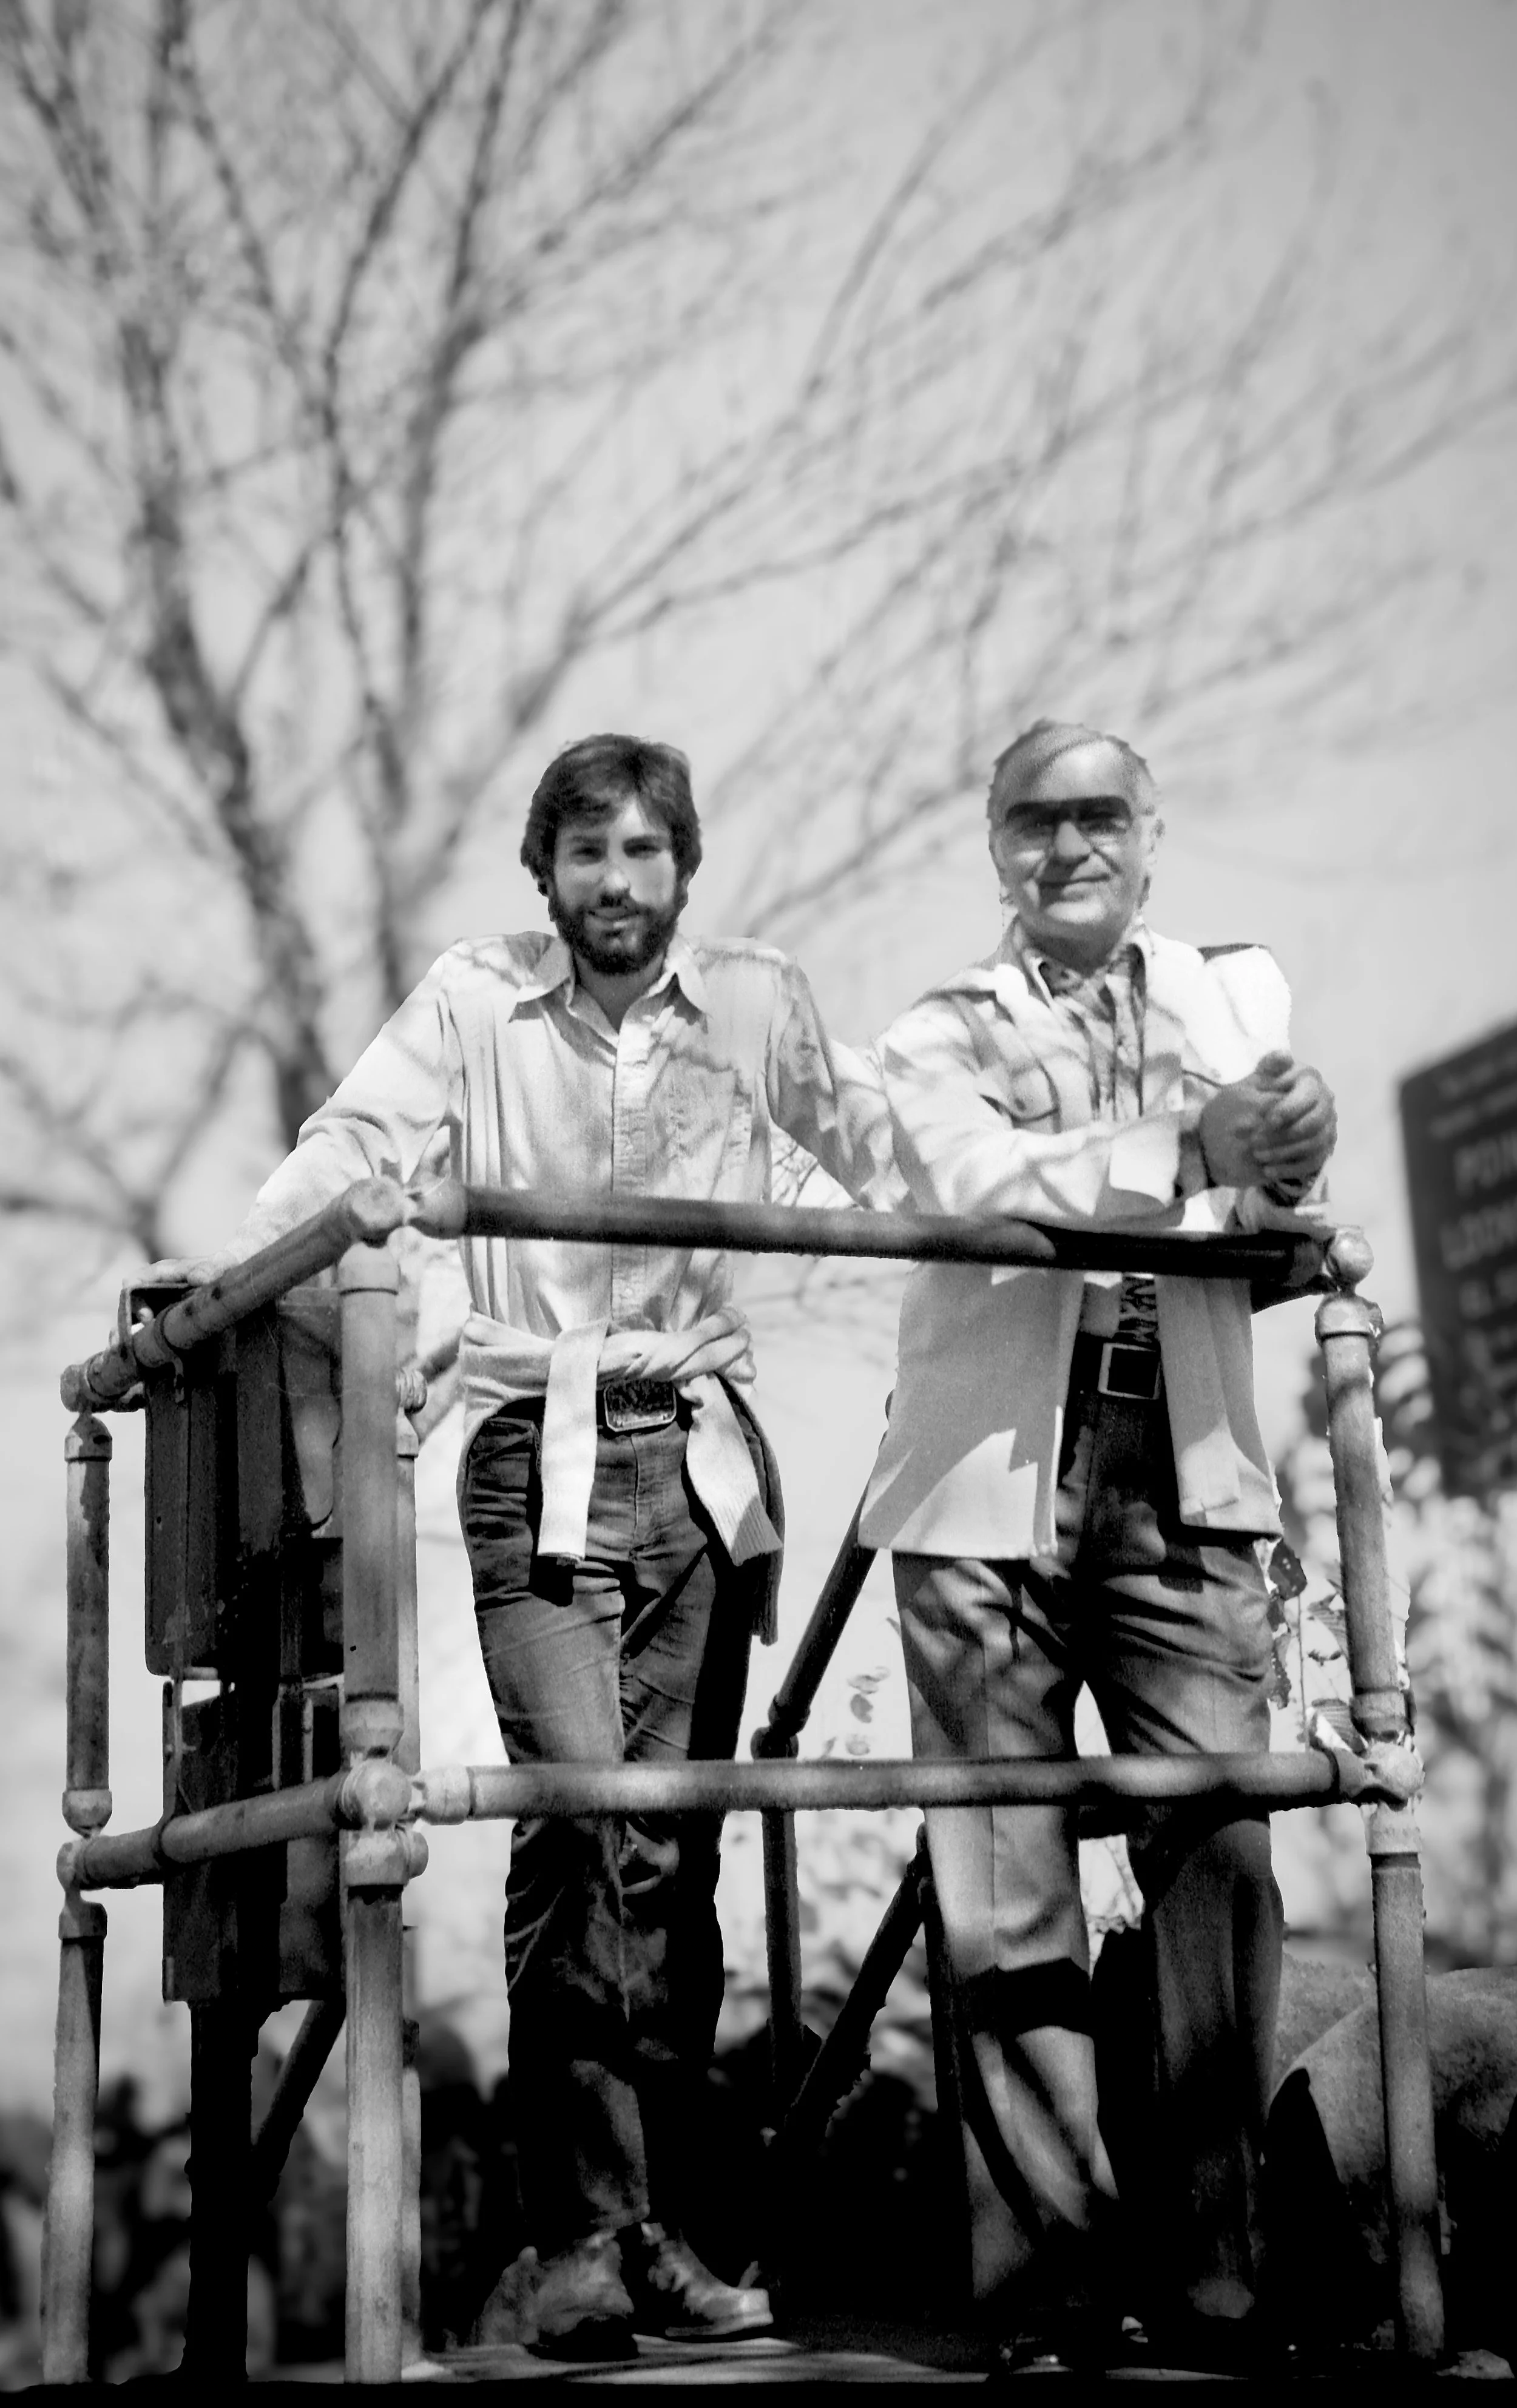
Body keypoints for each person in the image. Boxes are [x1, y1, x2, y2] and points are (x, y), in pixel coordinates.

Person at [152, 734, 898, 2358]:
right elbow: (343, 1161)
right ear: (543, 874)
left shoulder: (757, 1003)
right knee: (569, 1828)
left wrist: (1129, 1209)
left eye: (643, 853)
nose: (615, 886)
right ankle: (570, 2242)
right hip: (530, 1458)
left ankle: (664, 2240)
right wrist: (218, 1299)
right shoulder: (477, 999)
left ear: (682, 868)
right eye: (585, 856)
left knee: (675, 1853)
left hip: (698, 1457)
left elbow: (895, 1159)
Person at [857, 718, 1337, 2375]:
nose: (1069, 847)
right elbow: (989, 1179)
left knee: (1220, 1853)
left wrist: (1281, 1140)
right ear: (995, 847)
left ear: (1150, 833)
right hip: (985, 1487)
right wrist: (1189, 1158)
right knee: (1002, 1896)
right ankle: (1055, 2292)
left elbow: (1272, 1191)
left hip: (1184, 1466)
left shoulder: (1227, 995)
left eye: (1100, 817)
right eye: (1033, 822)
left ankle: (1212, 2283)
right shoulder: (931, 1032)